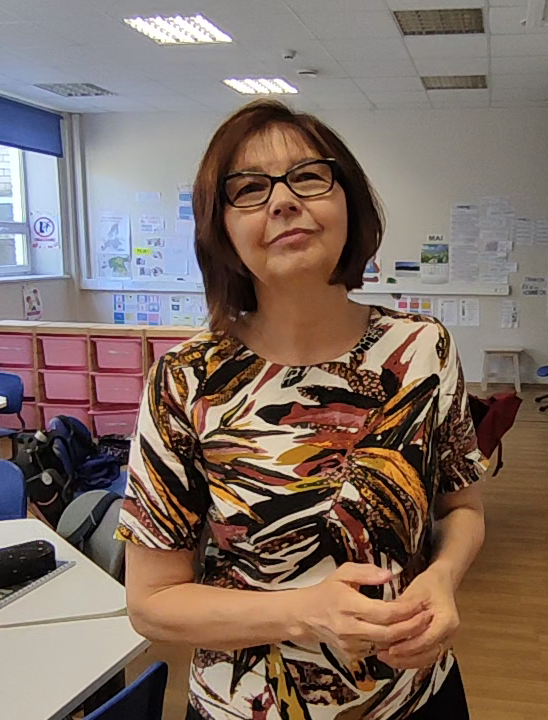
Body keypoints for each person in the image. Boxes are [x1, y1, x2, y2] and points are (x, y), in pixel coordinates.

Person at [117, 99, 488, 720]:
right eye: (248, 189)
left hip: (414, 696)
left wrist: (443, 577)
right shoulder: (185, 380)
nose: (283, 201)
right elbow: (151, 602)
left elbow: (463, 508)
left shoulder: (423, 351)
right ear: (221, 231)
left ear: (349, 201)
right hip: (249, 706)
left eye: (308, 177)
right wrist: (301, 613)